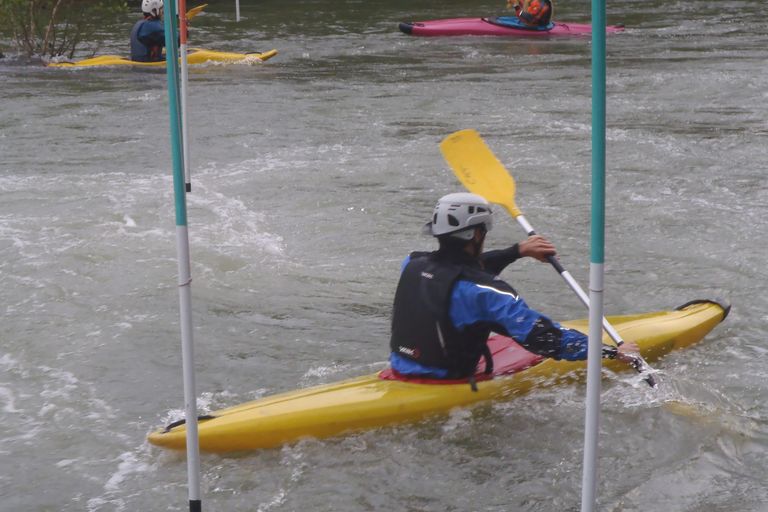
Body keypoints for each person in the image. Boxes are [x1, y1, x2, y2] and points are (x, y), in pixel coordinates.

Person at [389, 192, 639, 382]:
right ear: (477, 235)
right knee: (529, 332)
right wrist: (610, 352)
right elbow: (546, 340)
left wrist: (517, 251)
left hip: (400, 368)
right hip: (447, 379)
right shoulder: (488, 293)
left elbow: (458, 272)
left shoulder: (411, 262)